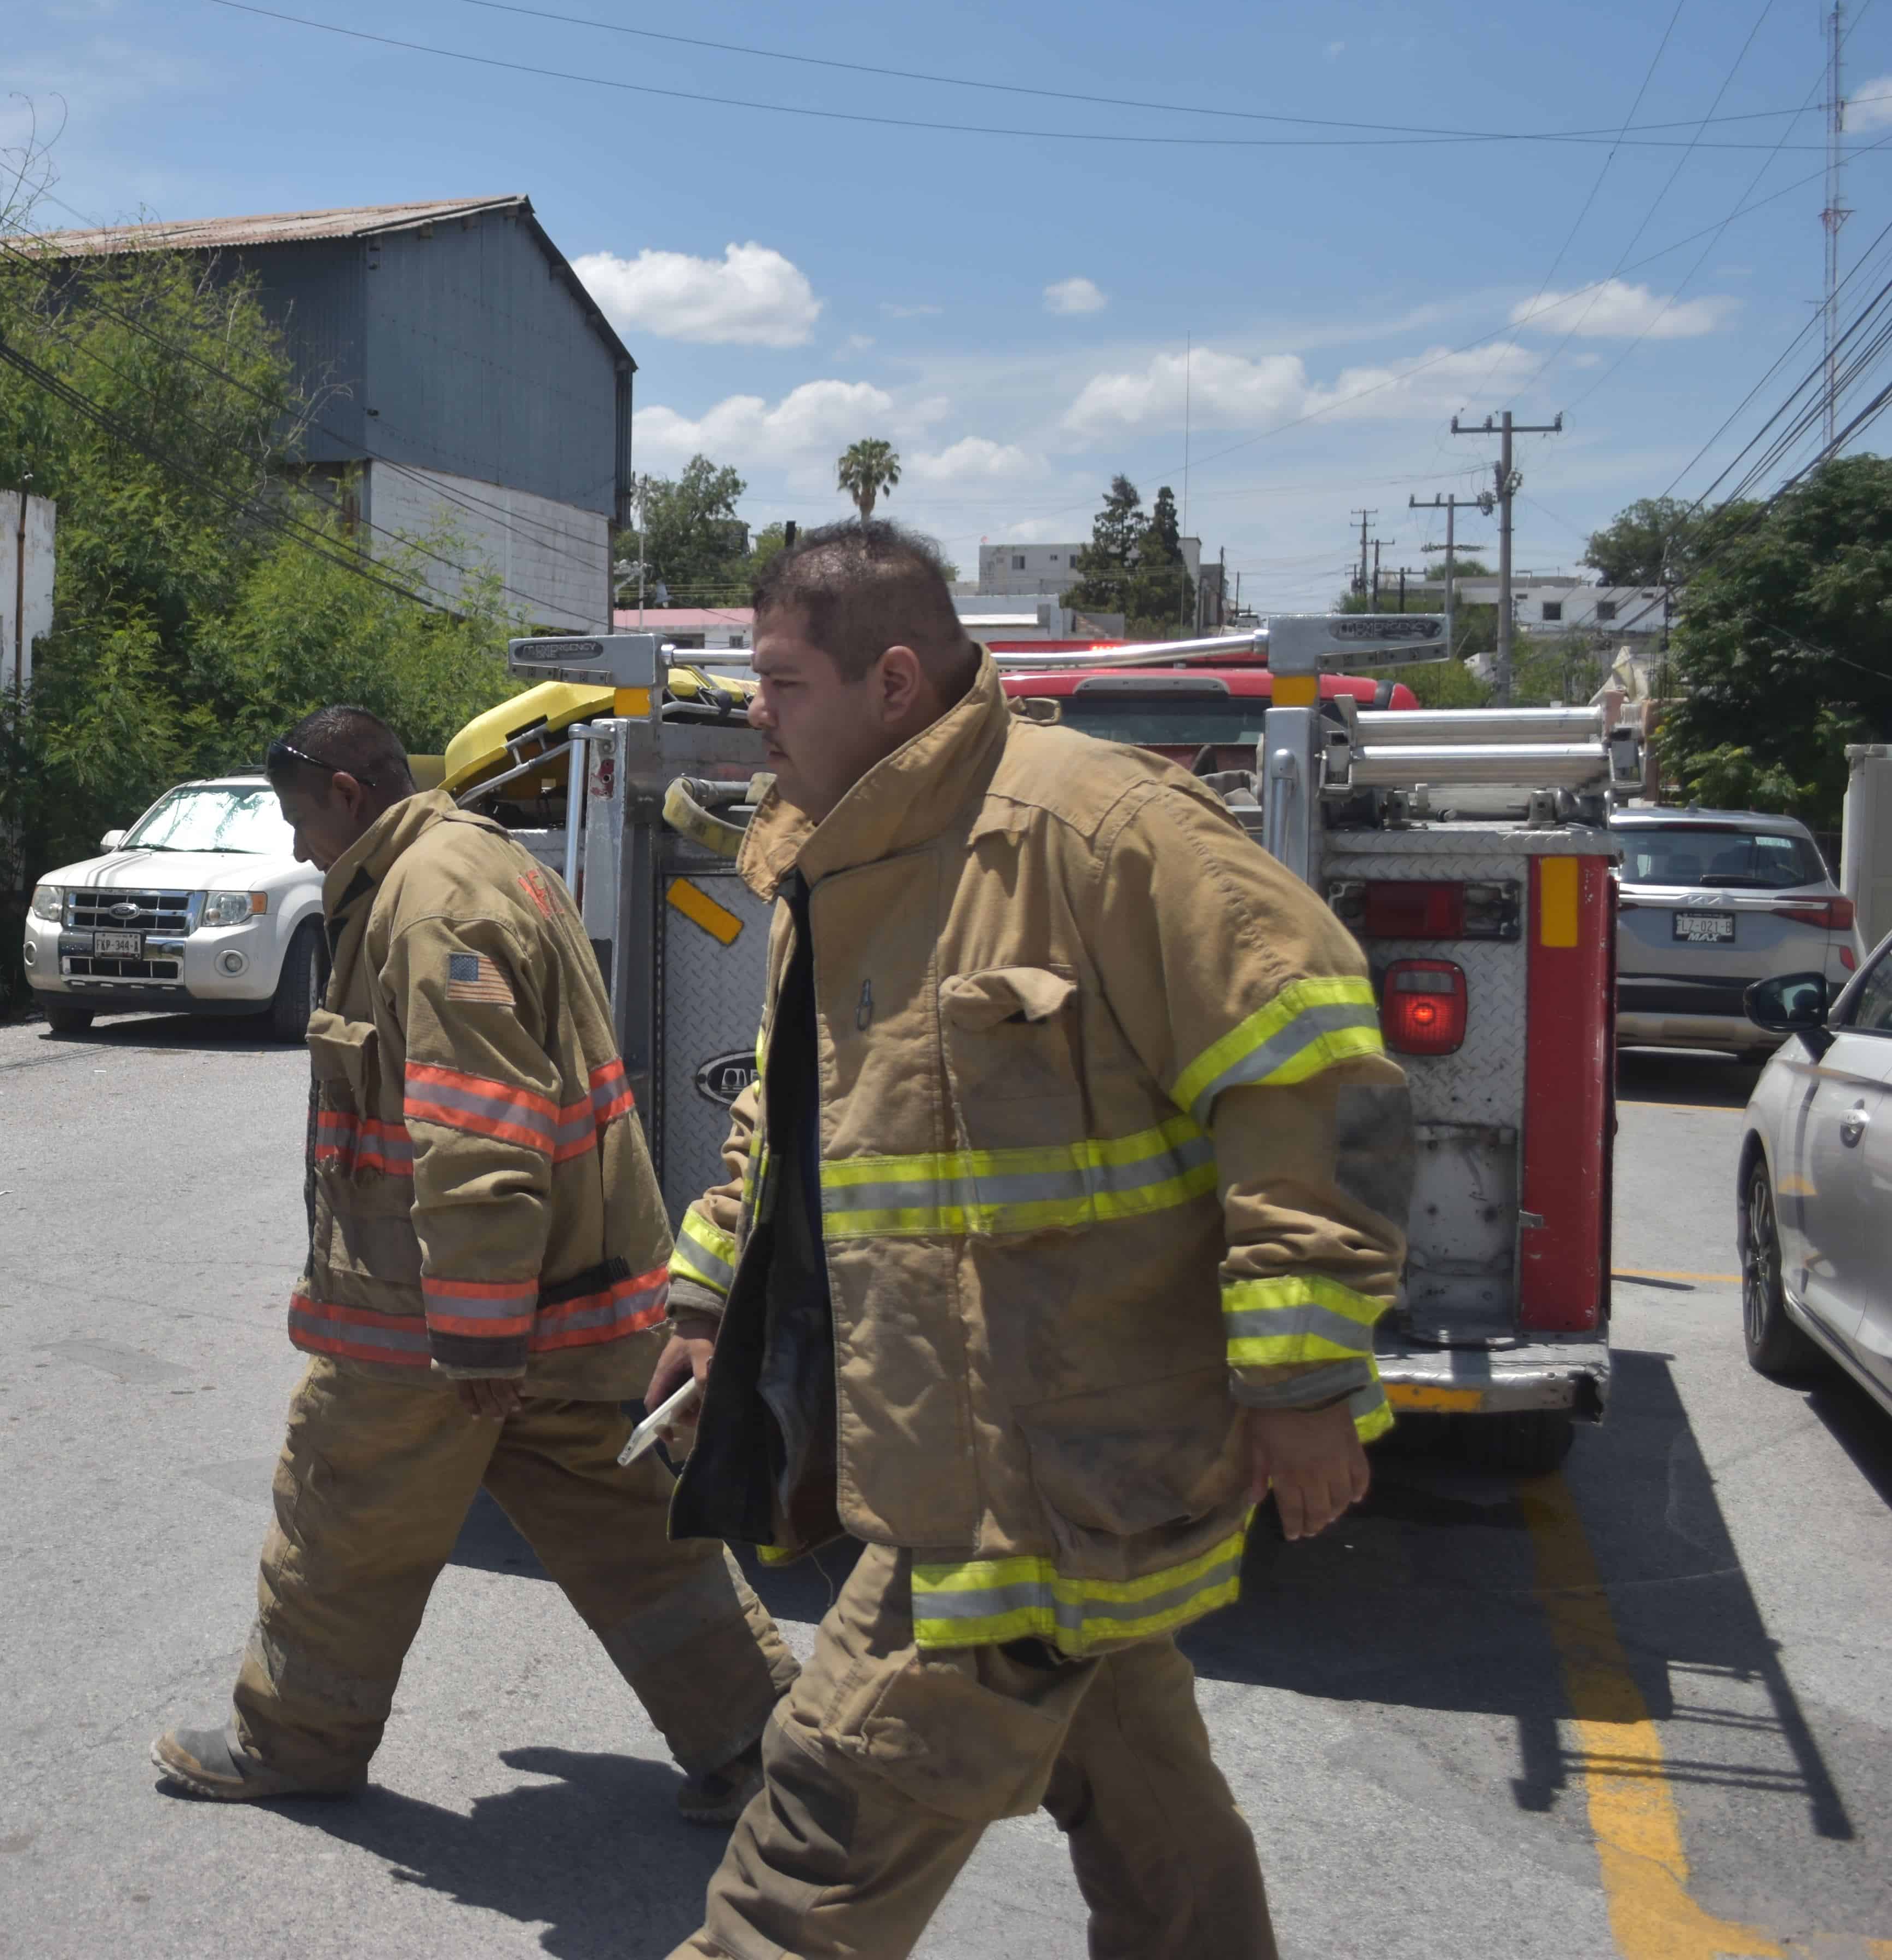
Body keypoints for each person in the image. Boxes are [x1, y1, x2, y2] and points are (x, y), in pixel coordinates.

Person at [652, 521, 1406, 1959]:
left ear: (889, 682)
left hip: (1035, 1476)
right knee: (1142, 1799)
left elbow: (1312, 1076)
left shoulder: (1096, 832)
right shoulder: (837, 866)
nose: (751, 712)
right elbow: (790, 1118)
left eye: (778, 682)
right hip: (958, 1445)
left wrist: (1302, 1382)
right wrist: (703, 1299)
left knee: (824, 1814)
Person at [152, 704, 797, 1819]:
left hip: (443, 1334)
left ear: (350, 794)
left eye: (306, 821)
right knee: (639, 1541)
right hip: (564, 1306)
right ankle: (765, 1751)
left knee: (341, 1519)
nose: (303, 848)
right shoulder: (467, 864)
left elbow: (482, 1125)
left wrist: (480, 1334)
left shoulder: (432, 907)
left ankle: (295, 1739)